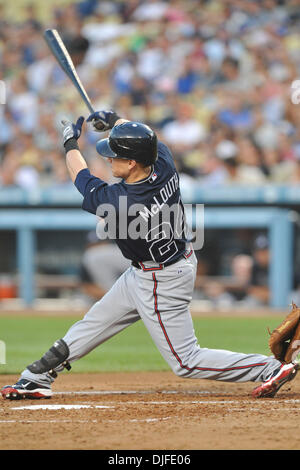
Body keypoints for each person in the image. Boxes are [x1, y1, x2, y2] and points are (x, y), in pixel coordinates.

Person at [1, 110, 298, 401]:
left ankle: (269, 368)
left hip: (161, 278)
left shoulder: (123, 202)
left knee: (186, 361)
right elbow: (146, 135)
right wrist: (115, 120)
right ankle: (37, 377)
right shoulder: (164, 161)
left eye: (115, 155)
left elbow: (81, 177)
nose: (109, 158)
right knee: (95, 322)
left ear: (132, 163)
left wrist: (69, 144)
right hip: (156, 267)